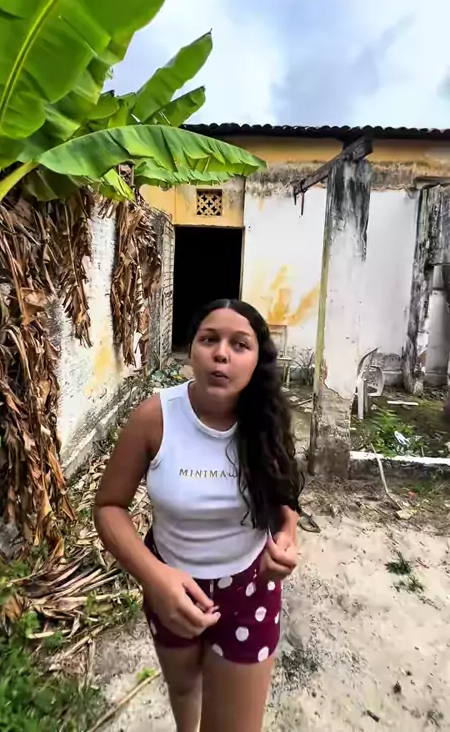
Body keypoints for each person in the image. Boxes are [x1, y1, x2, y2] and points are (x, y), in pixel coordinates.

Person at [95, 299, 304, 732]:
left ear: (258, 360)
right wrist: (156, 578)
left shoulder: (266, 419)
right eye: (209, 339)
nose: (221, 353)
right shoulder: (155, 417)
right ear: (191, 349)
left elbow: (283, 496)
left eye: (239, 344)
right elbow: (109, 507)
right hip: (170, 588)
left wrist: (288, 535)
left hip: (250, 590)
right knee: (185, 687)